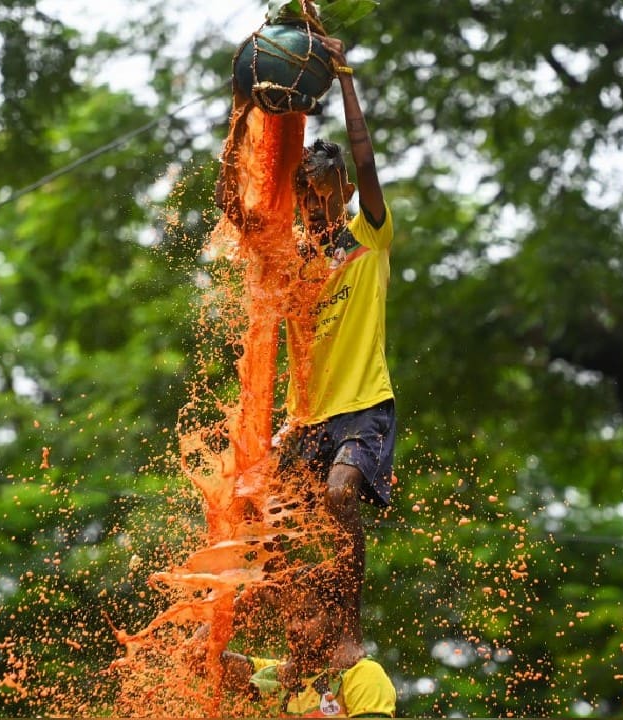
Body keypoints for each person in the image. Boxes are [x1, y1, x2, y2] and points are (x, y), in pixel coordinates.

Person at [216, 30, 396, 666]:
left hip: (363, 406)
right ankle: (303, 643)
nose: (316, 208)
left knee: (342, 494)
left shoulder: (367, 238)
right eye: (305, 199)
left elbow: (367, 159)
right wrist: (242, 116)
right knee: (264, 521)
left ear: (342, 194)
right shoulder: (288, 260)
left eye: (325, 196)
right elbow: (230, 209)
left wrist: (345, 75)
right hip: (305, 420)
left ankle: (348, 631)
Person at [195, 574, 397, 718]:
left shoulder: (362, 674)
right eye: (288, 617)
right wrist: (251, 598)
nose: (294, 627)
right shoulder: (277, 678)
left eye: (307, 615)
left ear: (335, 617)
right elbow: (196, 657)